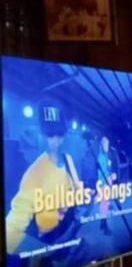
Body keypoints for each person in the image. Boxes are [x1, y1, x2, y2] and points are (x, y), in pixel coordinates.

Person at [5, 105, 81, 252]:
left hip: (69, 229)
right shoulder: (34, 173)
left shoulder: (67, 159)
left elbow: (77, 188)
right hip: (48, 240)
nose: (55, 140)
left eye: (58, 134)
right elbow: (13, 225)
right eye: (49, 135)